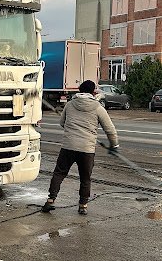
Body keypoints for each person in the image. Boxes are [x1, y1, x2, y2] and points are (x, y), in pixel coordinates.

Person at [41, 80, 119, 216]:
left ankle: (50, 200)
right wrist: (114, 145)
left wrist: (73, 129)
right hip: (87, 149)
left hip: (68, 146)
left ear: (79, 90)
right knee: (85, 178)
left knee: (59, 173)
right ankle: (83, 205)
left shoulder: (70, 104)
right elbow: (110, 129)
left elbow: (62, 123)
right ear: (93, 92)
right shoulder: (98, 108)